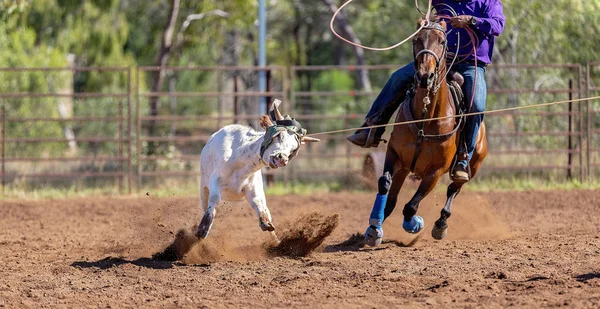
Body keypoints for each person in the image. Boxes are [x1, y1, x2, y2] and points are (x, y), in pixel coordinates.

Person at [347, 0, 505, 181]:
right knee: (398, 78)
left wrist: (471, 21)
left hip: (471, 65)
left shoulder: (489, 2)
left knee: (476, 104)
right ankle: (372, 128)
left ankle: (463, 157)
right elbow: (429, 11)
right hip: (439, 59)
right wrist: (425, 22)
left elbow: (498, 25)